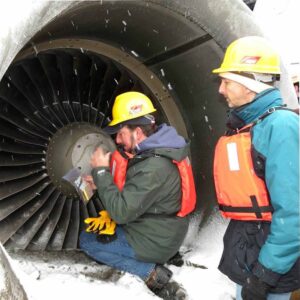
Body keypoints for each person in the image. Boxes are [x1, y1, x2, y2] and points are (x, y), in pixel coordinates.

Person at [79, 91, 196, 299]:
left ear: (138, 132)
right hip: (159, 227)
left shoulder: (154, 165)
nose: (117, 140)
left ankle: (152, 274)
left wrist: (101, 171)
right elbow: (140, 190)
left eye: (121, 133)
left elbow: (122, 213)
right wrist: (99, 183)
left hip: (156, 238)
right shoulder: (158, 150)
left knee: (88, 241)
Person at [212, 36, 300, 300]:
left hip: (270, 264)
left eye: (226, 81)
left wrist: (265, 275)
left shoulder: (280, 127)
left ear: (249, 83)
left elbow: (293, 213)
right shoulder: (251, 126)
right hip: (252, 254)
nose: (220, 89)